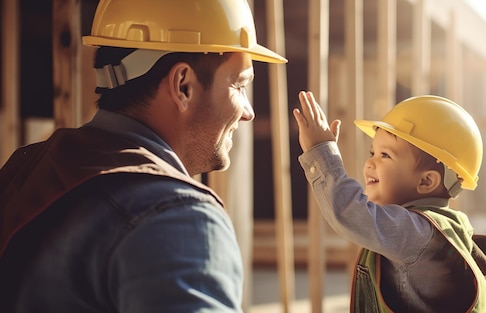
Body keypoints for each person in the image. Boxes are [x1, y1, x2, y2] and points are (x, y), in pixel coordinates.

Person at [0, 0, 286, 312]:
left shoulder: (27, 168)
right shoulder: (175, 216)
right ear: (183, 85)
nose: (248, 112)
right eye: (238, 85)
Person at [293, 91, 486, 312]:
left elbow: (349, 213)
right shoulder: (444, 227)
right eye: (372, 152)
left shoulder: (416, 233)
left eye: (385, 155)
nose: (369, 162)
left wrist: (321, 152)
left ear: (426, 181)